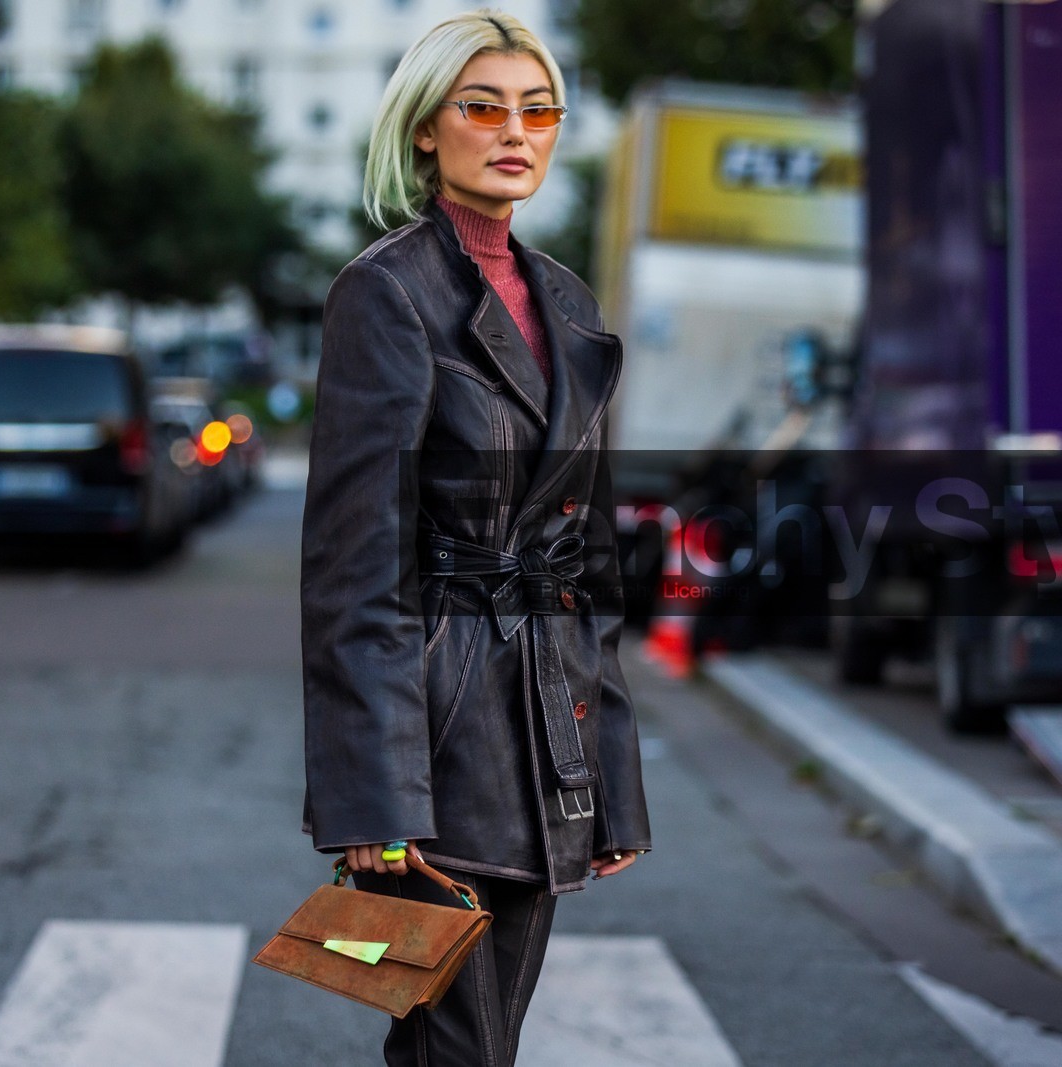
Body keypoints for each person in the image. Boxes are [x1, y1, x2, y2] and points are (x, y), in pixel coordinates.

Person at [299, 10, 652, 1066]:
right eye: (484, 107)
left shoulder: (567, 299)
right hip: (439, 727)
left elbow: (590, 563)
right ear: (425, 129)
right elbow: (355, 564)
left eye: (538, 112)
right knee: (454, 1048)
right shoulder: (385, 291)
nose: (516, 132)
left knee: (478, 1048)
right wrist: (373, 792)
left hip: (547, 732)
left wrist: (614, 776)